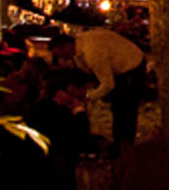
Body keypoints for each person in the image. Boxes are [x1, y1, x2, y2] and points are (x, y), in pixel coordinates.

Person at [57, 26, 147, 155]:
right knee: (117, 106)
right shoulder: (80, 45)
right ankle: (120, 144)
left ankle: (125, 147)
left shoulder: (92, 53)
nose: (61, 59)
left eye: (60, 55)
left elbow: (108, 84)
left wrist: (88, 96)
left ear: (66, 46)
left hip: (131, 65)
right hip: (118, 62)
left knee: (125, 108)